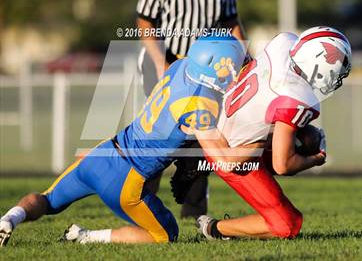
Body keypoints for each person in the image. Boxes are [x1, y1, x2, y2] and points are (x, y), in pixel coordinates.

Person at [0, 35, 246, 246]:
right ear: (217, 67)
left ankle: (10, 218)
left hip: (103, 152)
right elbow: (222, 157)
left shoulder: (180, 66)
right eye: (231, 66)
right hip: (125, 180)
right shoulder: (201, 105)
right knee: (167, 235)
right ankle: (85, 236)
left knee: (47, 199)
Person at [195, 27, 352, 239]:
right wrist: (317, 159)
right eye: (337, 71)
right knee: (288, 225)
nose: (338, 77)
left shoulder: (285, 42)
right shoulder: (297, 96)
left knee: (309, 137)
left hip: (225, 127)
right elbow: (283, 165)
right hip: (233, 154)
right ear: (319, 65)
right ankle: (214, 228)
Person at [136, 0, 247, 218]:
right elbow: (145, 21)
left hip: (206, 68)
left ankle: (194, 211)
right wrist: (161, 63)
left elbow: (231, 21)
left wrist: (243, 59)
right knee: (162, 134)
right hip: (168, 61)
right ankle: (141, 202)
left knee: (202, 132)